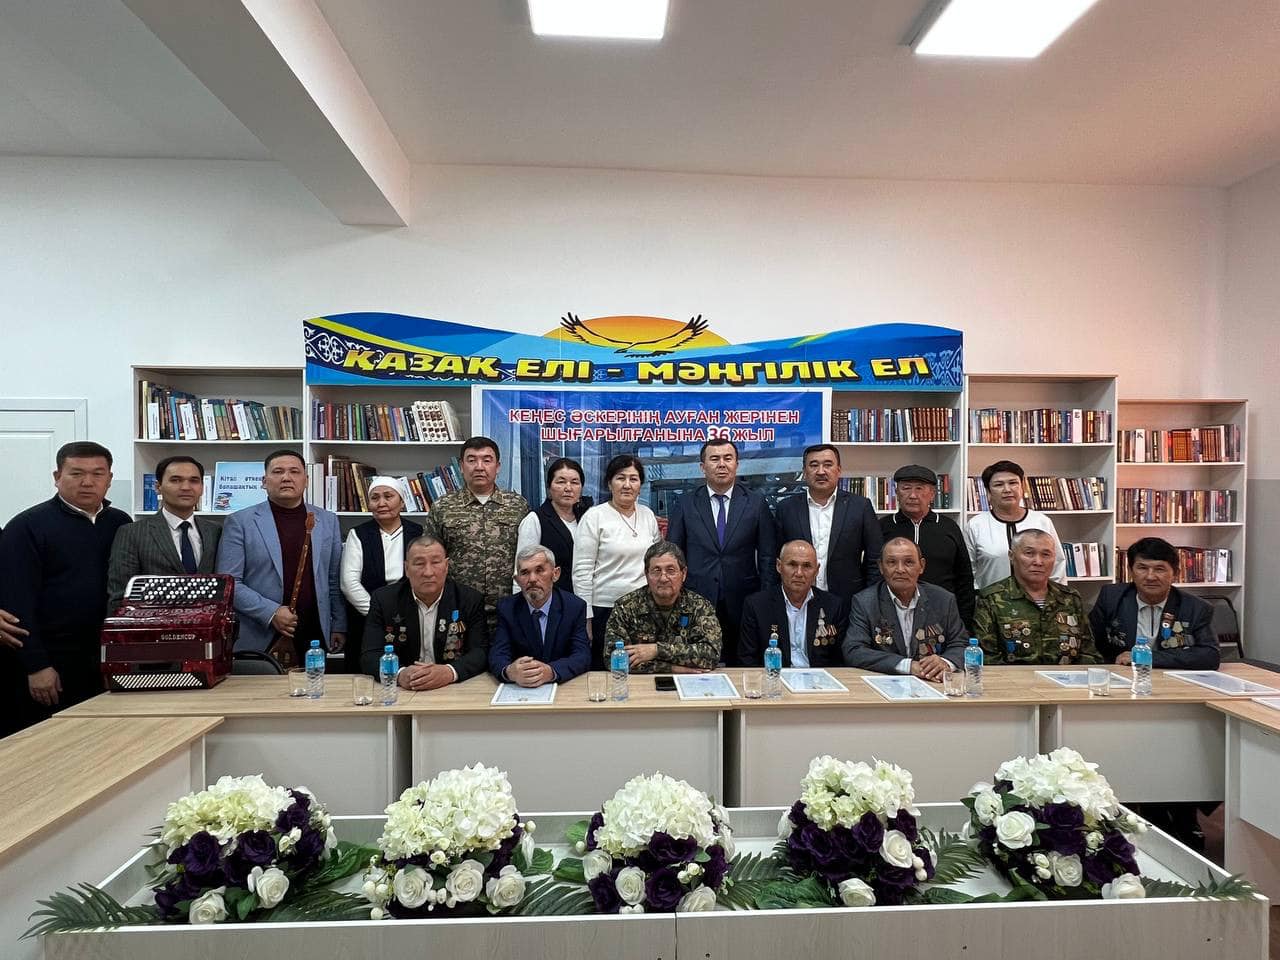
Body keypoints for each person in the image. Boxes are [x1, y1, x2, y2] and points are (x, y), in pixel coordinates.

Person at [0, 441, 131, 729]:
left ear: (109, 479)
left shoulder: (121, 523)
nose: (87, 482)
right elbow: (16, 603)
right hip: (52, 662)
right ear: (57, 477)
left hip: (105, 657)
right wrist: (36, 665)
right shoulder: (27, 527)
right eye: (76, 473)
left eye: (97, 474)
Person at [215, 449, 345, 665]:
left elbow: (333, 579)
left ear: (306, 480)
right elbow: (229, 583)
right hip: (261, 632)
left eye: (294, 471)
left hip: (314, 632)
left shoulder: (327, 520)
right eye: (278, 472)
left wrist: (339, 624)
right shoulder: (240, 522)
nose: (286, 477)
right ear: (264, 481)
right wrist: (271, 612)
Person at [667, 438, 778, 665]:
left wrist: (766, 598)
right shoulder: (686, 503)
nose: (721, 464)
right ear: (702, 466)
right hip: (696, 598)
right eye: (714, 459)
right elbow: (674, 554)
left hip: (744, 599)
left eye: (728, 458)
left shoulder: (755, 503)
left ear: (737, 464)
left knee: (743, 662)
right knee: (697, 663)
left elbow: (768, 557)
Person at [422, 437, 529, 636]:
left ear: (498, 467)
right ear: (461, 466)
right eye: (472, 460)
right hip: (459, 609)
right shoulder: (443, 507)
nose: (479, 467)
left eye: (487, 460)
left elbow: (528, 555)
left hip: (509, 609)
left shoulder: (517, 505)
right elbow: (430, 557)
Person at [360, 535, 487, 688]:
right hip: (404, 688)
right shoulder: (384, 600)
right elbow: (370, 655)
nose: (428, 572)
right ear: (407, 568)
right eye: (419, 564)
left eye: (435, 562)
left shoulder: (469, 599)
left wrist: (449, 672)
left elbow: (480, 652)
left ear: (446, 566)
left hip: (452, 688)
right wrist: (400, 674)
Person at [572, 454, 661, 667]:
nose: (627, 485)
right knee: (609, 670)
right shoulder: (595, 516)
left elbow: (657, 561)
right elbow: (582, 571)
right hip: (605, 610)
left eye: (633, 479)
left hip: (645, 609)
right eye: (621, 478)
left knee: (643, 670)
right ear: (609, 483)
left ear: (640, 485)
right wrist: (586, 618)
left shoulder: (648, 515)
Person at [842, 537, 968, 679]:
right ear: (881, 567)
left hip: (933, 681)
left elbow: (961, 644)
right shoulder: (865, 602)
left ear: (921, 566)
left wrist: (945, 662)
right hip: (885, 682)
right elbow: (854, 650)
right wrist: (908, 666)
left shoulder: (943, 599)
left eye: (908, 562)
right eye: (892, 562)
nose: (900, 569)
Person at [775, 443, 883, 604]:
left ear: (839, 470)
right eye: (813, 465)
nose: (821, 471)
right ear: (804, 472)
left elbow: (875, 558)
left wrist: (868, 600)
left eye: (827, 465)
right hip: (797, 600)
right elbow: (776, 556)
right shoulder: (787, 508)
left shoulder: (860, 507)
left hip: (848, 600)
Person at [1090, 537, 1220, 670]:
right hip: (1122, 673)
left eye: (1159, 569)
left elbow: (1210, 655)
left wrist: (1147, 657)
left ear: (1175, 574)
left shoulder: (1196, 608)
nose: (1150, 577)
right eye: (1142, 568)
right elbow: (1092, 645)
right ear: (1130, 571)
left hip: (1170, 676)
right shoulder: (1111, 598)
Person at [107, 456, 222, 603]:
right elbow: (121, 595)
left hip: (206, 616)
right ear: (158, 487)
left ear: (202, 488)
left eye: (194, 481)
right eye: (176, 480)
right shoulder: (132, 533)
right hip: (152, 616)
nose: (186, 487)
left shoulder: (215, 531)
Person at [974, 529, 1098, 665]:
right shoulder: (991, 599)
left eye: (1046, 554)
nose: (1038, 562)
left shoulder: (1070, 598)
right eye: (1029, 553)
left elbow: (1088, 653)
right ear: (1011, 556)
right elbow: (988, 659)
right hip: (1013, 677)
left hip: (1067, 677)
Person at [340, 477, 424, 673]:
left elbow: (422, 575)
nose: (381, 503)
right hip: (366, 616)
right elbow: (349, 583)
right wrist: (376, 613)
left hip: (409, 614)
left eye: (388, 496)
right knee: (367, 671)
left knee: (409, 669)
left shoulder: (418, 532)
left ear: (402, 502)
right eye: (375, 498)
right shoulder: (358, 534)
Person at [881, 464, 976, 633]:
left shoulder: (949, 527)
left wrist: (964, 623)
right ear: (896, 492)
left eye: (919, 489)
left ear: (932, 494)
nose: (912, 495)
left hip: (942, 612)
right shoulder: (882, 527)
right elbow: (873, 572)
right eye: (906, 488)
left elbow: (964, 578)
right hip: (892, 614)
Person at [603, 541, 721, 673]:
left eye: (671, 570)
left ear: (683, 574)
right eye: (656, 571)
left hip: (690, 682)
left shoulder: (699, 606)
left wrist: (656, 650)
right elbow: (613, 659)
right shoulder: (625, 607)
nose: (663, 578)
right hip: (639, 683)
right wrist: (672, 668)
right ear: (646, 575)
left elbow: (711, 655)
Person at [490, 544, 590, 685]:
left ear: (555, 574)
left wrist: (552, 671)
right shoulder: (507, 608)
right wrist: (509, 671)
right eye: (525, 573)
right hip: (520, 688)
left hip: (562, 686)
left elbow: (582, 655)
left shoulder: (574, 607)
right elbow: (498, 654)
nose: (532, 579)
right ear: (517, 580)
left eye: (539, 570)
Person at [739, 539, 847, 668]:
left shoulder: (833, 606)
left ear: (817, 570)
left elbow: (839, 661)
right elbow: (747, 660)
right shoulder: (757, 605)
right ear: (779, 566)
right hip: (774, 676)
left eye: (807, 566)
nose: (799, 573)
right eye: (792, 564)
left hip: (819, 678)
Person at [964, 460, 1067, 589]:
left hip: (1038, 599)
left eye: (1013, 483)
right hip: (990, 599)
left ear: (1022, 487)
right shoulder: (976, 525)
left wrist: (1057, 597)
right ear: (988, 492)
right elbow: (968, 571)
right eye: (999, 485)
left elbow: (1057, 566)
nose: (1007, 489)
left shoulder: (1041, 521)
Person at [513, 457, 591, 595]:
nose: (568, 488)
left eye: (574, 482)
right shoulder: (535, 520)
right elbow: (522, 569)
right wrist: (520, 603)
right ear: (549, 487)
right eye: (561, 482)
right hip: (549, 600)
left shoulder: (587, 518)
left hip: (584, 599)